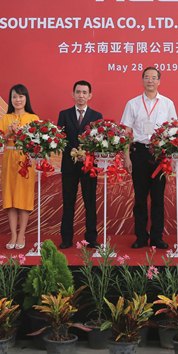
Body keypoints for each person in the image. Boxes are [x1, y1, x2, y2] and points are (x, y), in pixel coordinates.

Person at [121, 66, 177, 249]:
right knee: (140, 198)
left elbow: (174, 130)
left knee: (158, 198)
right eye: (147, 77)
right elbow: (126, 131)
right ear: (142, 80)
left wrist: (170, 156)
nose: (150, 80)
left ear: (159, 81)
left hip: (159, 154)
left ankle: (157, 237)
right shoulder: (132, 103)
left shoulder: (167, 103)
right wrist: (126, 157)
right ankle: (140, 237)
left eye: (154, 77)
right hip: (139, 153)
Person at [57, 81, 102, 250]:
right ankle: (66, 238)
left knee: (90, 202)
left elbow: (99, 139)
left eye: (84, 92)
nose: (81, 95)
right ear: (73, 94)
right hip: (69, 165)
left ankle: (91, 238)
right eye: (78, 92)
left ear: (90, 95)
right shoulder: (64, 114)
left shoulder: (96, 115)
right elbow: (60, 138)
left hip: (89, 165)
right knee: (68, 201)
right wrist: (71, 149)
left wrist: (87, 152)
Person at [0, 84, 39, 249]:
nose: (17, 100)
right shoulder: (5, 118)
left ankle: (21, 234)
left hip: (26, 161)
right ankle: (13, 235)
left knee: (23, 198)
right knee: (10, 199)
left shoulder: (33, 118)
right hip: (9, 161)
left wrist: (22, 134)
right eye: (14, 96)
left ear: (26, 98)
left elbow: (37, 142)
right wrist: (9, 133)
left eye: (21, 96)